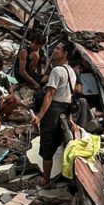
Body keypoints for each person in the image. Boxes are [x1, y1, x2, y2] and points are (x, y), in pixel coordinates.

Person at [33, 42, 82, 188]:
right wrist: (70, 117)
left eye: (58, 49)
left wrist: (40, 116)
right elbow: (70, 96)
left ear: (65, 53)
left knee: (47, 146)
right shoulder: (71, 71)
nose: (55, 51)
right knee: (61, 143)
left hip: (53, 110)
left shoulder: (56, 71)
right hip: (65, 110)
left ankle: (46, 180)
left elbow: (50, 94)